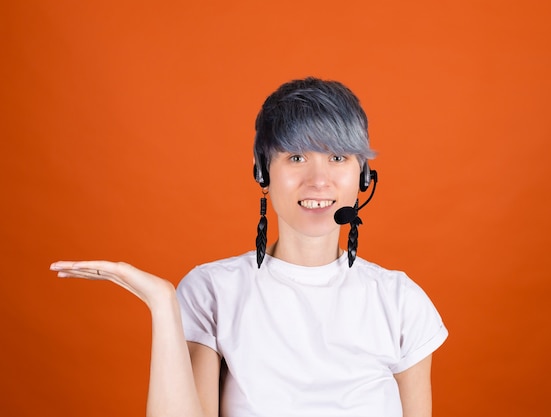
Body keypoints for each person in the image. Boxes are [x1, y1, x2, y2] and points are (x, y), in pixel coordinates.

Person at [50, 77, 448, 417]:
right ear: (262, 172)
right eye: (295, 157)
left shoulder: (400, 300)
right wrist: (163, 303)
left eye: (338, 157)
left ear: (362, 175)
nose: (319, 180)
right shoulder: (212, 291)